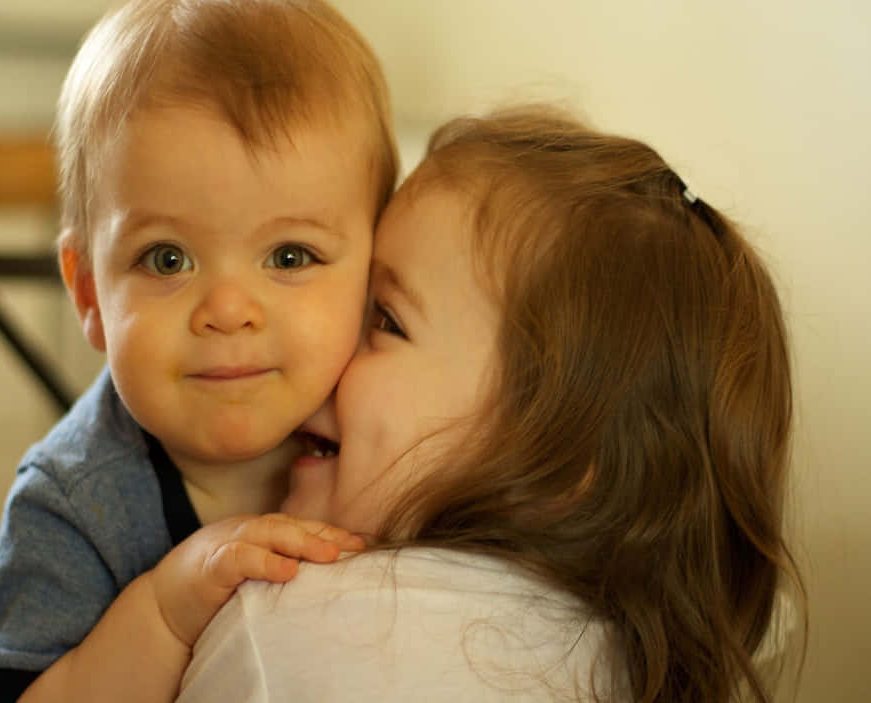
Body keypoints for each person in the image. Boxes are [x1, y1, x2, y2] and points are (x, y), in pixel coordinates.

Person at [179, 106, 805, 702]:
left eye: (385, 320)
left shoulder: (287, 633)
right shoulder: (636, 659)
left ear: (556, 460)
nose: (328, 344)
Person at [0, 0, 397, 701]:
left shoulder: (396, 433)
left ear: (376, 272)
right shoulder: (73, 505)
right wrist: (165, 612)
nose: (227, 310)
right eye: (166, 259)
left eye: (290, 255)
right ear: (88, 295)